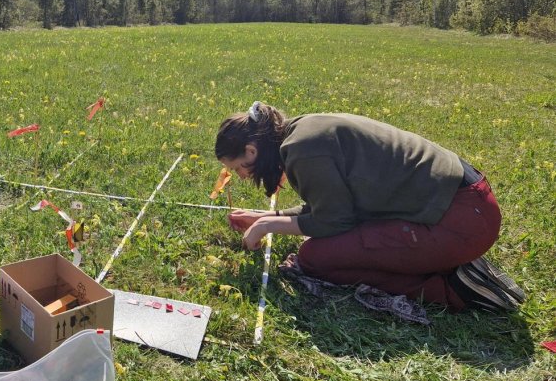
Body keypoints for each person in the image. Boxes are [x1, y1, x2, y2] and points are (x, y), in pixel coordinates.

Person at [215, 101, 525, 312]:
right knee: (331, 246)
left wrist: (269, 226)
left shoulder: (302, 151)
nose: (242, 176)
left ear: (252, 151)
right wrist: (273, 216)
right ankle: (442, 260)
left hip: (461, 222)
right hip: (467, 205)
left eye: (240, 168)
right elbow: (333, 205)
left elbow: (335, 221)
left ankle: (457, 288)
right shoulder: (302, 131)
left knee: (316, 257)